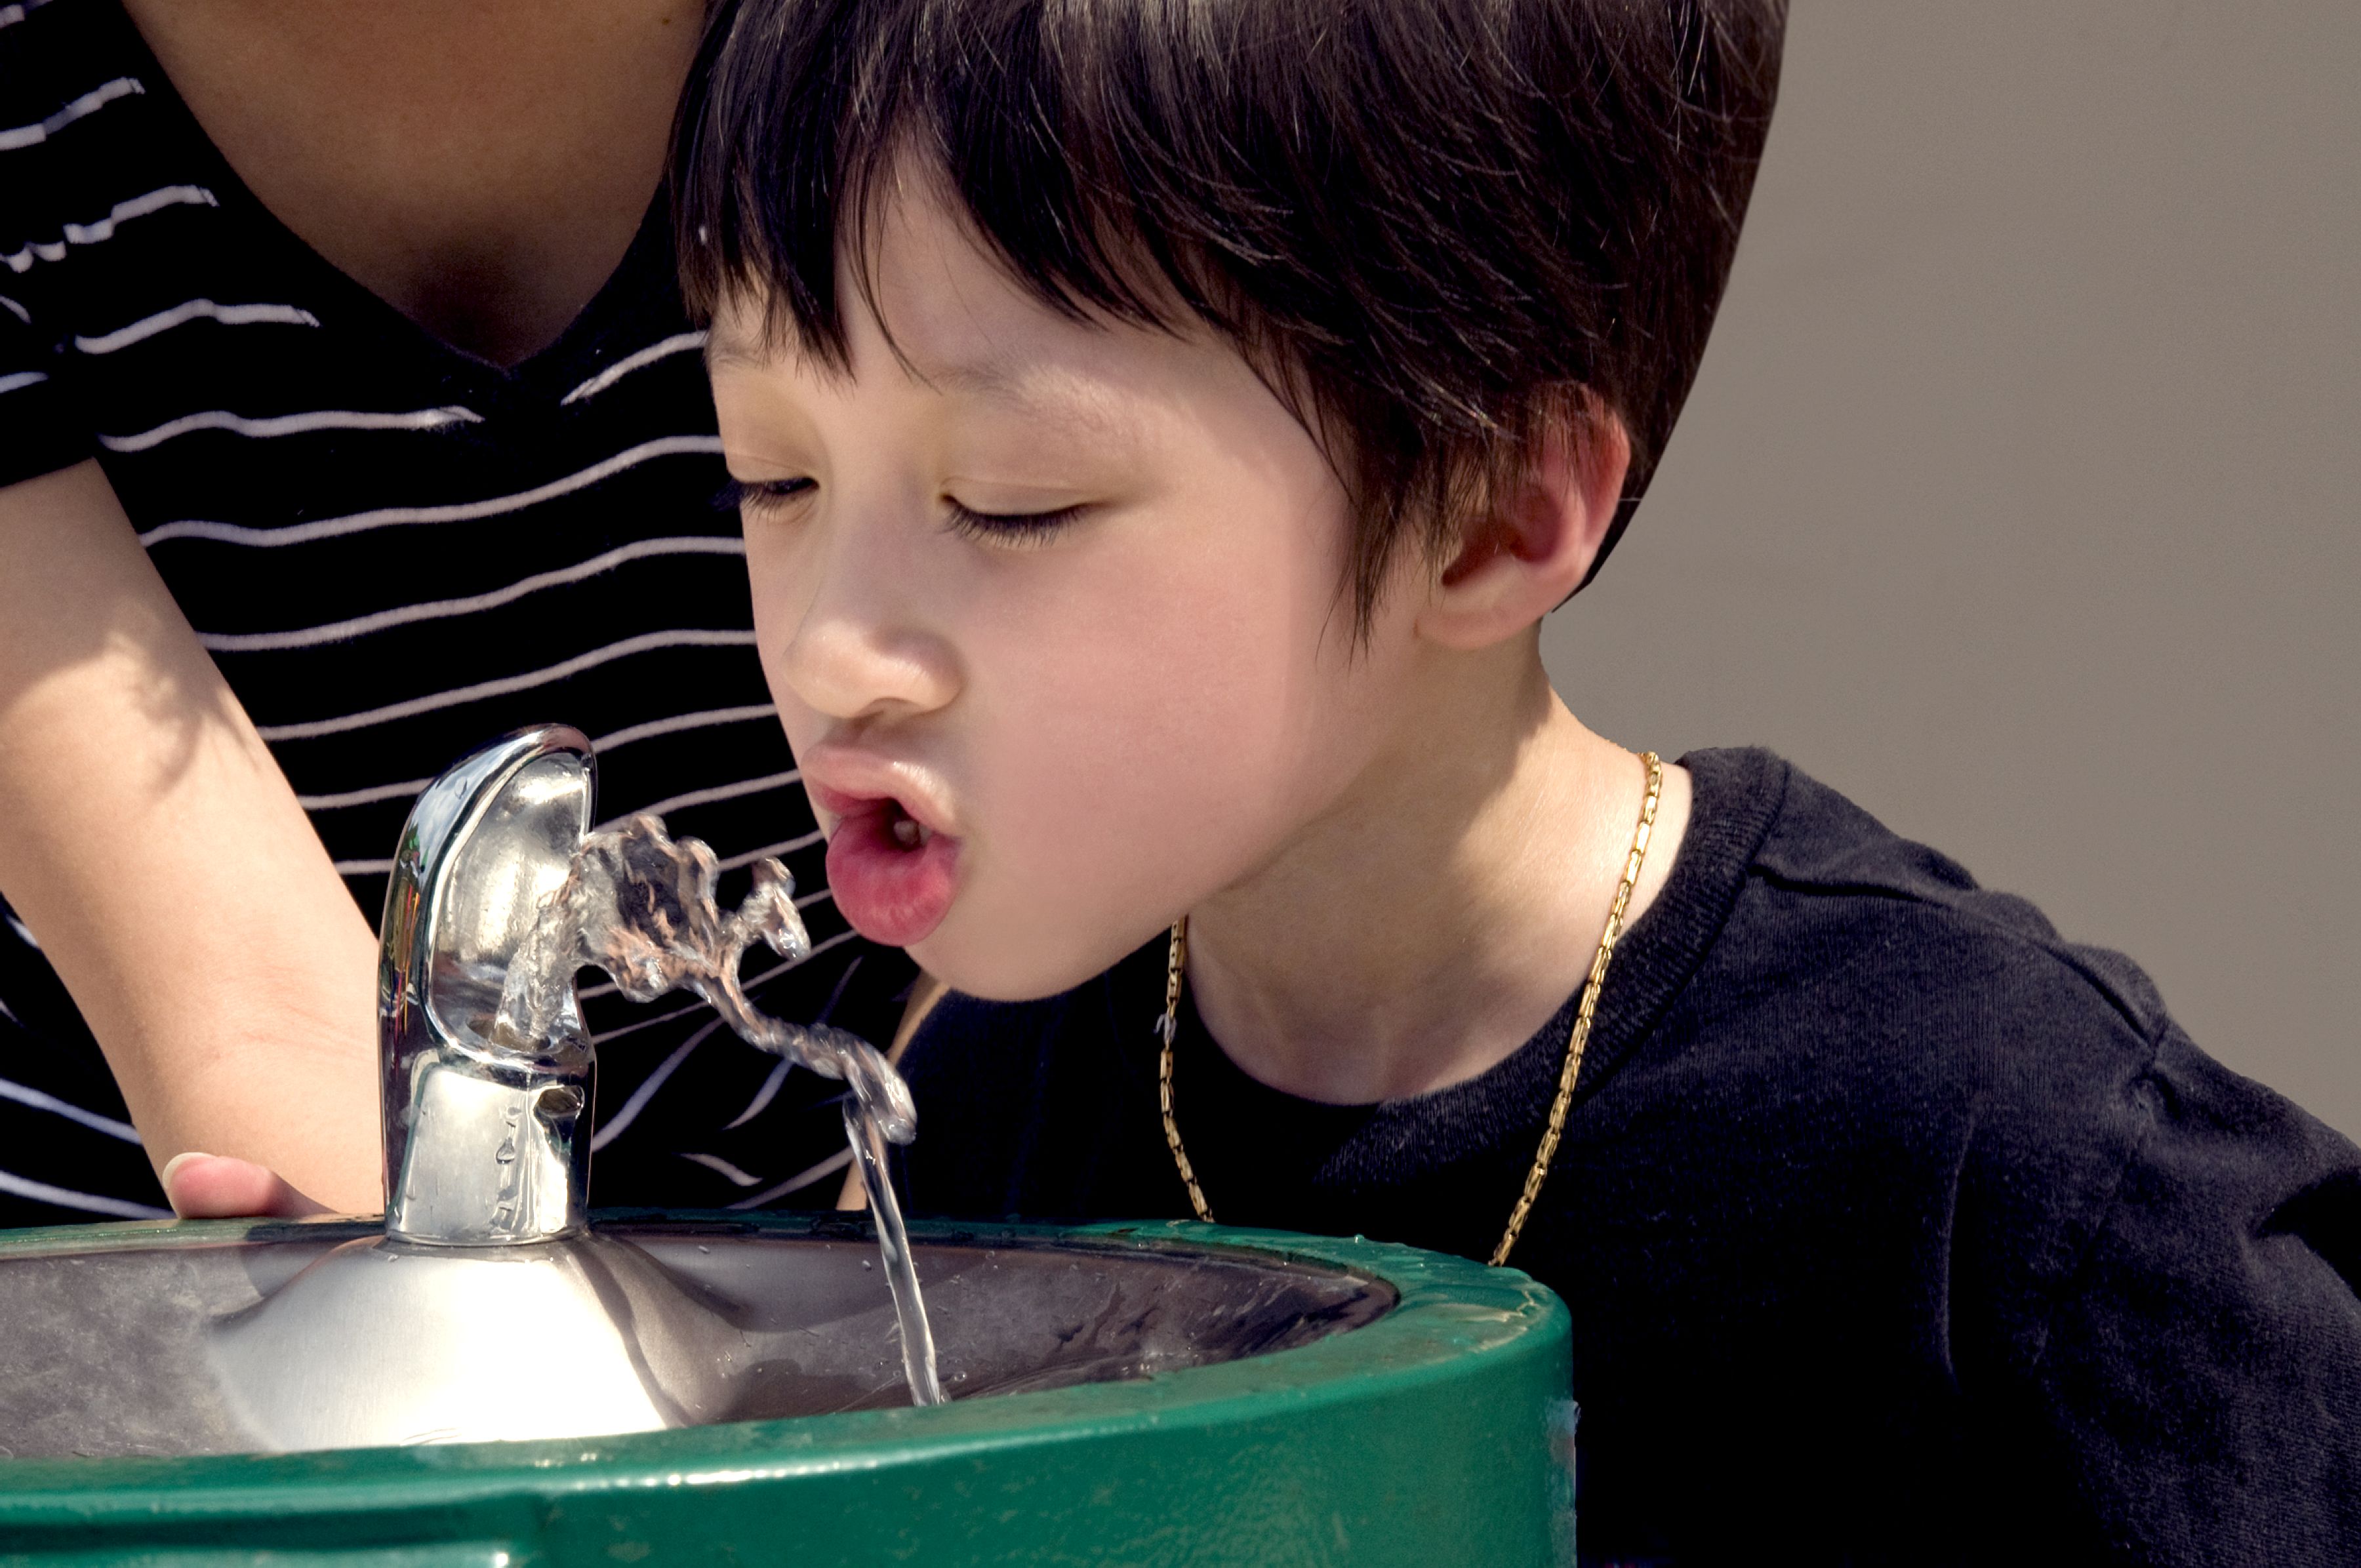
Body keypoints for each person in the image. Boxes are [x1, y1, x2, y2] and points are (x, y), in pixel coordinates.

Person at [674, 0, 2361, 1560]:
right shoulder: (969, 1136)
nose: (833, 646)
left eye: (1011, 497)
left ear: (1491, 513)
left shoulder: (2003, 1176)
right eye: (773, 471)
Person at [0, 0, 915, 1228]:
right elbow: (253, 1021)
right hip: (212, 1310)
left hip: (923, 1196)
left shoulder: (950, 47)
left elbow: (1059, 849)